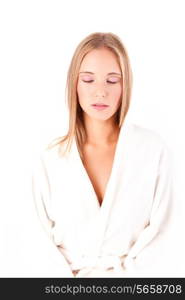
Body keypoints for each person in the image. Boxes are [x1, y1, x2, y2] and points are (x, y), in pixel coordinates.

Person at [32, 32, 174, 277]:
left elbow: (166, 234)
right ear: (74, 84)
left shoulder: (152, 150)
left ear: (125, 85)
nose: (100, 92)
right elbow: (37, 242)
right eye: (88, 80)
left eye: (112, 80)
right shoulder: (51, 158)